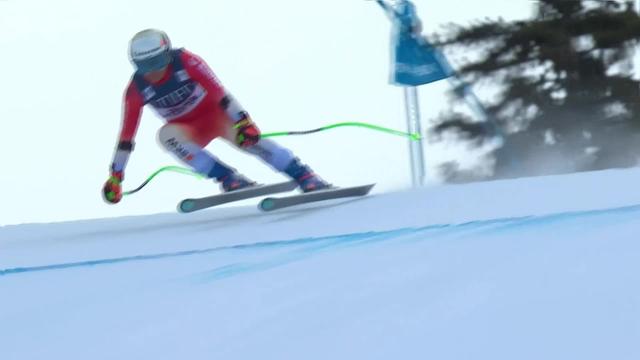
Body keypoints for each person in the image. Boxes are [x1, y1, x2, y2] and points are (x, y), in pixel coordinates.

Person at [103, 29, 330, 204]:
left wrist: (244, 123)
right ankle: (227, 178)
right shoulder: (136, 90)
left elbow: (220, 95)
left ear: (168, 55)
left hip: (217, 117)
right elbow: (126, 138)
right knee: (166, 136)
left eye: (157, 63)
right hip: (188, 129)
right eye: (145, 66)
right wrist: (116, 176)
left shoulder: (187, 62)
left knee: (249, 142)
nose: (153, 72)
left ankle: (304, 175)